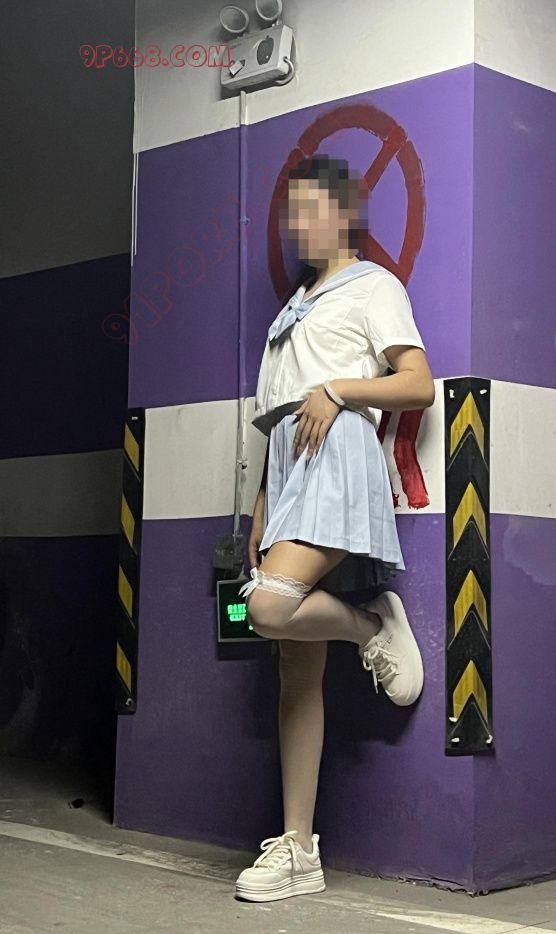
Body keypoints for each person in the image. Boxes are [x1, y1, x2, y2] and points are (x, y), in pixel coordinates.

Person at [234, 154, 435, 903]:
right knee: (296, 667)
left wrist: (339, 387)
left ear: (346, 212)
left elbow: (417, 383)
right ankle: (298, 848)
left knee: (267, 606)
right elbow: (280, 413)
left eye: (312, 209)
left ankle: (370, 625)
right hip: (289, 464)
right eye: (291, 213)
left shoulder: (374, 285)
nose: (298, 225)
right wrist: (262, 503)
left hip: (337, 452)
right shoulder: (294, 305)